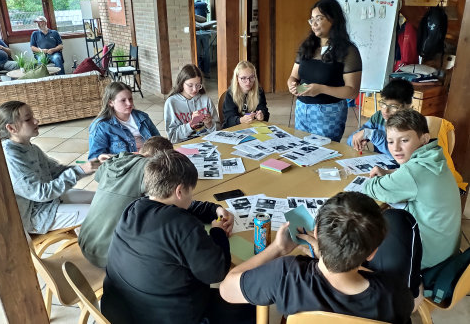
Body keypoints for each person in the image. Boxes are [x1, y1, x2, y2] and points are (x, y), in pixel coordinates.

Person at [101, 150, 255, 324]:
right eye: (191, 192)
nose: (192, 197)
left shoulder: (134, 208)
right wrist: (217, 232)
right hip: (168, 316)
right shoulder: (184, 225)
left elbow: (183, 207)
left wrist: (215, 209)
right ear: (180, 191)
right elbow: (217, 273)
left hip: (119, 311)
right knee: (249, 304)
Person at [219, 192, 415, 323]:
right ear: (373, 251)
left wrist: (278, 249)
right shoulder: (396, 294)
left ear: (317, 232)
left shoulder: (286, 275)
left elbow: (227, 289)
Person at [363, 109, 461, 270]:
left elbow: (371, 188)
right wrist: (390, 173)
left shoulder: (412, 173)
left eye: (404, 140)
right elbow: (416, 177)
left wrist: (376, 179)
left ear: (424, 139)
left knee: (364, 253)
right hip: (447, 250)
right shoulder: (435, 156)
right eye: (390, 141)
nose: (396, 148)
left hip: (427, 258)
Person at [0, 101, 99, 234]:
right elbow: (41, 193)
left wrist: (94, 165)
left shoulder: (31, 148)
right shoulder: (11, 156)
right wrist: (80, 171)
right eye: (28, 119)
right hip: (35, 216)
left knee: (101, 199)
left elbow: (56, 172)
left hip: (49, 202)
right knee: (101, 213)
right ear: (11, 128)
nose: (36, 120)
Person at [79, 137, 173, 268]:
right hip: (109, 256)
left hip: (85, 242)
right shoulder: (149, 169)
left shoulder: (115, 160)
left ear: (141, 150)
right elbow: (164, 202)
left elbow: (98, 176)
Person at [287, 0, 362, 142]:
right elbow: (293, 77)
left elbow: (352, 91)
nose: (314, 24)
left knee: (324, 154)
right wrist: (291, 84)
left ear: (333, 20)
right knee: (301, 151)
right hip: (302, 109)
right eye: (312, 20)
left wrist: (321, 89)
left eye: (319, 19)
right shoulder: (307, 46)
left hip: (329, 113)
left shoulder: (348, 51)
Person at [88, 82, 160, 160]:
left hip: (149, 162)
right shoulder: (101, 126)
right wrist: (119, 158)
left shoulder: (143, 117)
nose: (129, 103)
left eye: (130, 99)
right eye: (123, 100)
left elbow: (159, 141)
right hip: (123, 168)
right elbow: (94, 160)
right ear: (111, 102)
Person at [348, 79, 414, 155]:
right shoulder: (379, 117)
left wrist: (372, 134)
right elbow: (353, 138)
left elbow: (398, 154)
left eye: (393, 107)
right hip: (379, 161)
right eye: (383, 103)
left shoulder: (411, 123)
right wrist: (357, 141)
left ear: (407, 106)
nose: (385, 110)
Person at [164, 64, 220, 143]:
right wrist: (190, 125)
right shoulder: (171, 103)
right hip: (184, 145)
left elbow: (218, 129)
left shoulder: (206, 100)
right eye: (190, 85)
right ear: (181, 83)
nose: (194, 89)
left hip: (206, 142)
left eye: (198, 85)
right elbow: (172, 137)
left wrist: (209, 124)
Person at [222, 61, 270, 128]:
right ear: (237, 79)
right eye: (243, 78)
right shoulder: (230, 94)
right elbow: (228, 120)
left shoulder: (259, 91)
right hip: (234, 129)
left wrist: (262, 115)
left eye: (251, 77)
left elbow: (265, 112)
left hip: (253, 127)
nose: (248, 82)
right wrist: (241, 120)